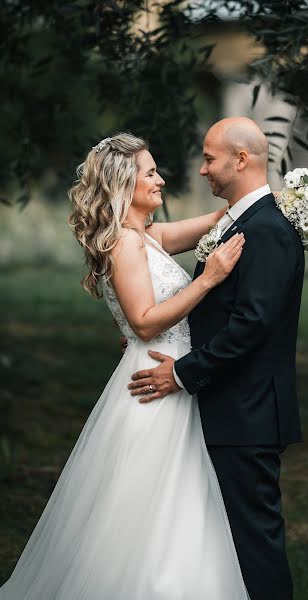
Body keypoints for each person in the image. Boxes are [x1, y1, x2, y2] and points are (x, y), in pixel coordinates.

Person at [0, 132, 250, 599]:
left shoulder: (148, 237)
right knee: (144, 498)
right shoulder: (122, 245)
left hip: (172, 374)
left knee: (174, 496)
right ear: (123, 185)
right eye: (150, 173)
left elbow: (219, 218)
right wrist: (210, 278)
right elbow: (144, 323)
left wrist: (281, 196)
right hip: (153, 376)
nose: (161, 179)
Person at [128, 117, 305, 600]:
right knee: (225, 542)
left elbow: (252, 324)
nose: (202, 169)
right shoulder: (240, 221)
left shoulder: (266, 228)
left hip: (247, 411)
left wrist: (182, 373)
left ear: (241, 159)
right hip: (230, 405)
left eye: (209, 158)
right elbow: (222, 310)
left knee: (254, 540)